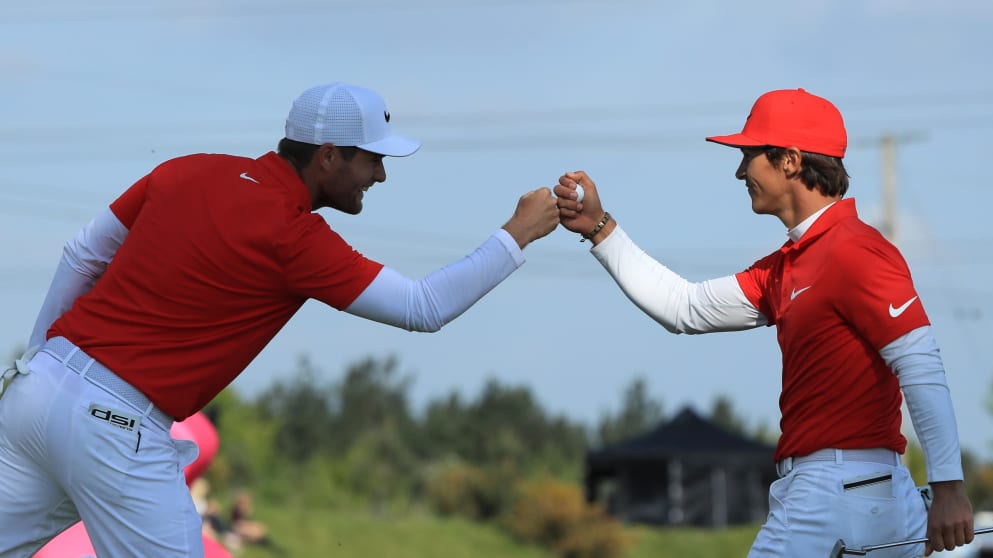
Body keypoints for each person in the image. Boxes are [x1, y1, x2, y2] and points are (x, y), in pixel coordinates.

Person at [0, 81, 559, 557]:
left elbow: (81, 255)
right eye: (373, 158)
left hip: (36, 394)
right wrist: (519, 232)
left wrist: (40, 359)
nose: (381, 176)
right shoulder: (294, 236)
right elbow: (423, 307)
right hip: (118, 427)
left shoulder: (185, 169)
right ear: (328, 156)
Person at [553, 88, 974, 556]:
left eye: (749, 154)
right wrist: (599, 228)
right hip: (862, 495)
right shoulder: (786, 266)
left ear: (790, 160)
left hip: (835, 492)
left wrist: (950, 487)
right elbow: (684, 307)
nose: (739, 171)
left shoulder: (857, 250)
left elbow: (920, 364)